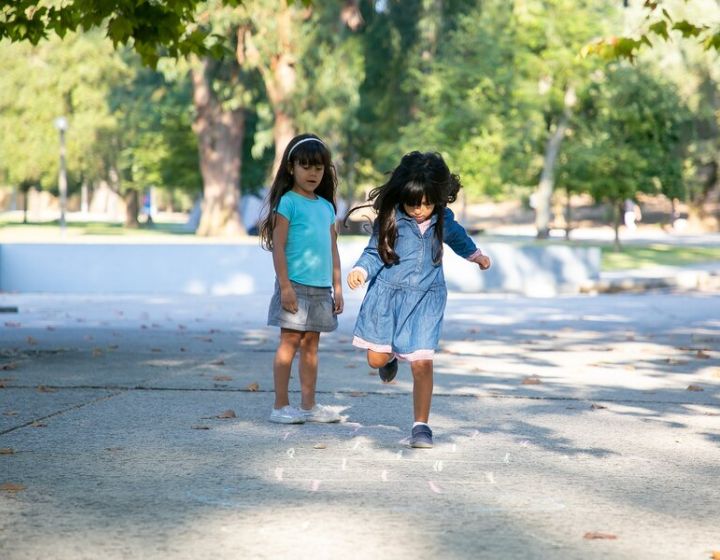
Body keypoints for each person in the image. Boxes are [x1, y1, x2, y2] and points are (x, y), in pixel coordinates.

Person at [346, 151, 491, 448]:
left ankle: (421, 426)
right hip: (387, 296)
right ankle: (388, 359)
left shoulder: (442, 218)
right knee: (375, 359)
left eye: (427, 202)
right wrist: (361, 270)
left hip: (426, 299)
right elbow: (375, 251)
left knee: (422, 362)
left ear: (438, 197)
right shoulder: (392, 217)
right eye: (413, 203)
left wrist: (476, 256)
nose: (419, 210)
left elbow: (459, 238)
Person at [259, 133, 344, 424]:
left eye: (318, 168)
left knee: (311, 346)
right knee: (289, 343)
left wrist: (338, 287)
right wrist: (284, 286)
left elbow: (332, 247)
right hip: (294, 285)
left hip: (321, 289)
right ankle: (280, 406)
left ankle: (309, 406)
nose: (312, 173)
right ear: (291, 168)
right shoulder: (288, 203)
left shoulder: (327, 207)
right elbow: (278, 246)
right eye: (306, 166)